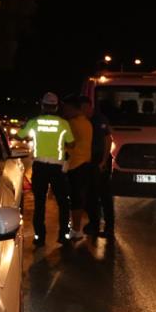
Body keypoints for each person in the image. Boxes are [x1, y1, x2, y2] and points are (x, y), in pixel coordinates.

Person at [16, 92, 74, 245]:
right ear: (56, 107)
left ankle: (40, 237)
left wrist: (29, 132)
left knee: (39, 202)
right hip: (57, 168)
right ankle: (63, 235)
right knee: (63, 202)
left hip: (40, 167)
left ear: (42, 105)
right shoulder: (63, 123)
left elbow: (19, 136)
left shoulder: (34, 121)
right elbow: (72, 143)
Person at [63, 94, 94, 241]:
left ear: (72, 108)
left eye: (66, 109)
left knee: (75, 198)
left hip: (75, 164)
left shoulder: (72, 124)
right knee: (79, 197)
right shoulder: (87, 123)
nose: (64, 112)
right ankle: (77, 227)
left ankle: (75, 229)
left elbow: (70, 144)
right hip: (84, 163)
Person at [86, 97, 115, 237]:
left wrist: (103, 161)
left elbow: (108, 140)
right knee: (91, 194)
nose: (84, 111)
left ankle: (109, 228)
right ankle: (94, 224)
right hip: (91, 160)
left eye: (85, 108)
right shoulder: (84, 120)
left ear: (90, 107)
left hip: (101, 160)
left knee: (104, 195)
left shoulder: (100, 119)